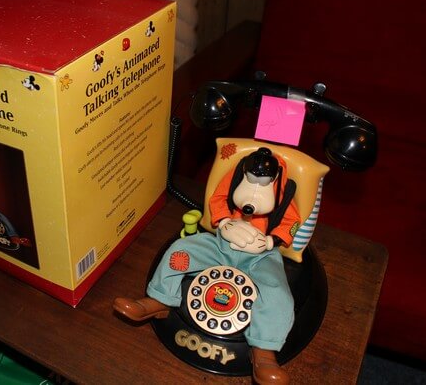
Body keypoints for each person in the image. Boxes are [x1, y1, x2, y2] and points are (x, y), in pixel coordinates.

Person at [114, 148, 300, 385]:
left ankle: (264, 349)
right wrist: (224, 222)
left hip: (261, 255)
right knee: (180, 251)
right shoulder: (236, 173)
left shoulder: (284, 187)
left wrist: (272, 240)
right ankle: (160, 299)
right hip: (222, 245)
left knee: (277, 291)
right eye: (252, 178)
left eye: (262, 181)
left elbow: (293, 222)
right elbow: (218, 198)